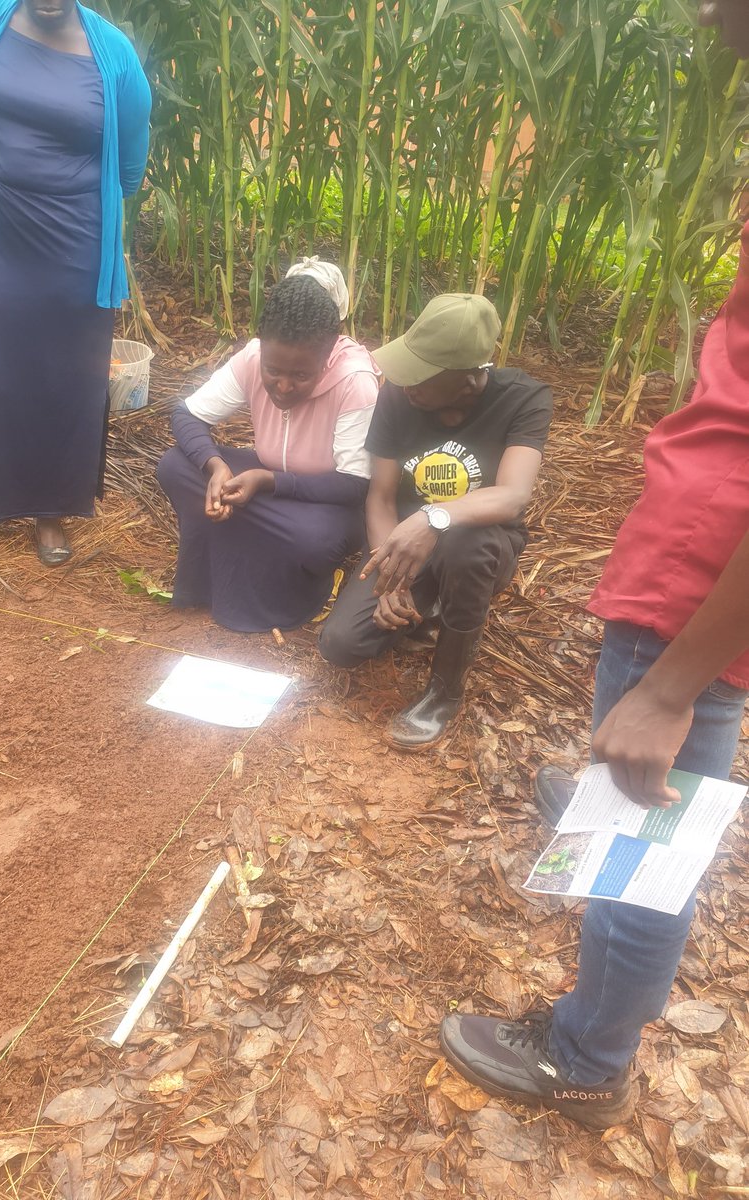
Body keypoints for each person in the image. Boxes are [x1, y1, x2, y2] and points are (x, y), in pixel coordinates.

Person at [438, 0, 749, 1131]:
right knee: (638, 796)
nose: (710, 12)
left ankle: (586, 1057)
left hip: (702, 599)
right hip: (699, 567)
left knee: (647, 835)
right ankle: (624, 792)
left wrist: (671, 690)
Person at [0, 0, 152, 570]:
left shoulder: (114, 54)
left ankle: (51, 511)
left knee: (64, 376)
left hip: (72, 244)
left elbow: (130, 166)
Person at [318, 294, 553, 750]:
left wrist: (434, 516)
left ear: (467, 381)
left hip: (479, 540)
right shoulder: (399, 397)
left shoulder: (524, 399)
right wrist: (390, 582)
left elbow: (512, 495)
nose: (407, 383)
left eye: (423, 374)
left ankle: (445, 689)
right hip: (403, 544)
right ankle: (425, 605)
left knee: (469, 547)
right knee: (341, 645)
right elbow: (382, 497)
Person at [156, 266, 379, 632]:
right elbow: (186, 415)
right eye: (273, 371)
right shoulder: (254, 356)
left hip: (328, 501)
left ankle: (272, 559)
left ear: (327, 358)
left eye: (302, 376)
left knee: (315, 541)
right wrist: (216, 468)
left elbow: (355, 483)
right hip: (273, 489)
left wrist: (266, 481)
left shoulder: (355, 382)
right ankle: (226, 560)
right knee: (175, 465)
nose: (284, 386)